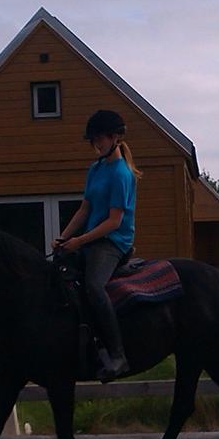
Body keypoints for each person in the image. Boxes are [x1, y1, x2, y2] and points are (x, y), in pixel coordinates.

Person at [52, 109, 142, 381]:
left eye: (99, 139)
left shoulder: (121, 174)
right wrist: (64, 236)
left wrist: (79, 241)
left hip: (113, 242)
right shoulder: (96, 169)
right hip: (91, 238)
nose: (96, 145)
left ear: (115, 138)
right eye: (93, 141)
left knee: (93, 285)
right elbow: (85, 207)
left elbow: (115, 222)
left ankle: (118, 355)